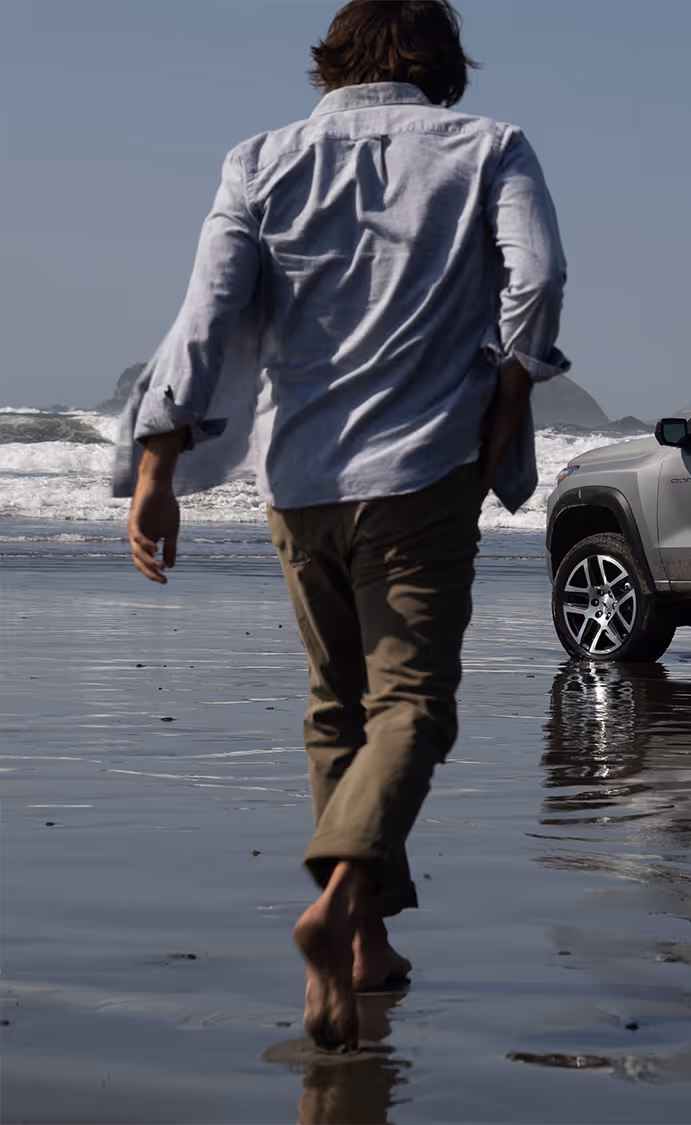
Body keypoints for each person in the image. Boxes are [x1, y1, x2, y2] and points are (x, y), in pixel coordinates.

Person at [115, 0, 568, 1051]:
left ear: (333, 60)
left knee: (338, 706)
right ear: (441, 64)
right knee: (414, 706)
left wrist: (158, 461)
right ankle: (337, 908)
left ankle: (363, 948)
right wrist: (508, 397)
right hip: (420, 473)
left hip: (301, 479)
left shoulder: (259, 160)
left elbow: (207, 313)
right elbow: (537, 279)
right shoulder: (489, 146)